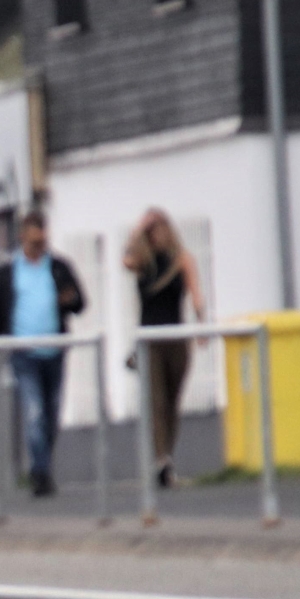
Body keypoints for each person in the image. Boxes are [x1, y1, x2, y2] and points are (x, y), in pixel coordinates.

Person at [0, 213, 87, 497]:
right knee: (34, 412)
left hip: (54, 351)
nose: (37, 244)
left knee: (51, 414)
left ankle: (42, 465)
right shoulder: (7, 272)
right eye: (32, 239)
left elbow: (80, 302)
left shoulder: (57, 267)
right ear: (22, 237)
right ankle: (40, 473)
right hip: (23, 352)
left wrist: (69, 300)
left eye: (41, 239)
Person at [124, 208, 205, 487]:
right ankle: (161, 461)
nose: (156, 236)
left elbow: (196, 293)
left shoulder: (182, 260)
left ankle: (166, 458)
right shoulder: (143, 262)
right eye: (151, 231)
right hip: (150, 341)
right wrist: (138, 228)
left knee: (172, 402)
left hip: (176, 338)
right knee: (156, 401)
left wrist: (201, 324)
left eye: (159, 229)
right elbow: (126, 261)